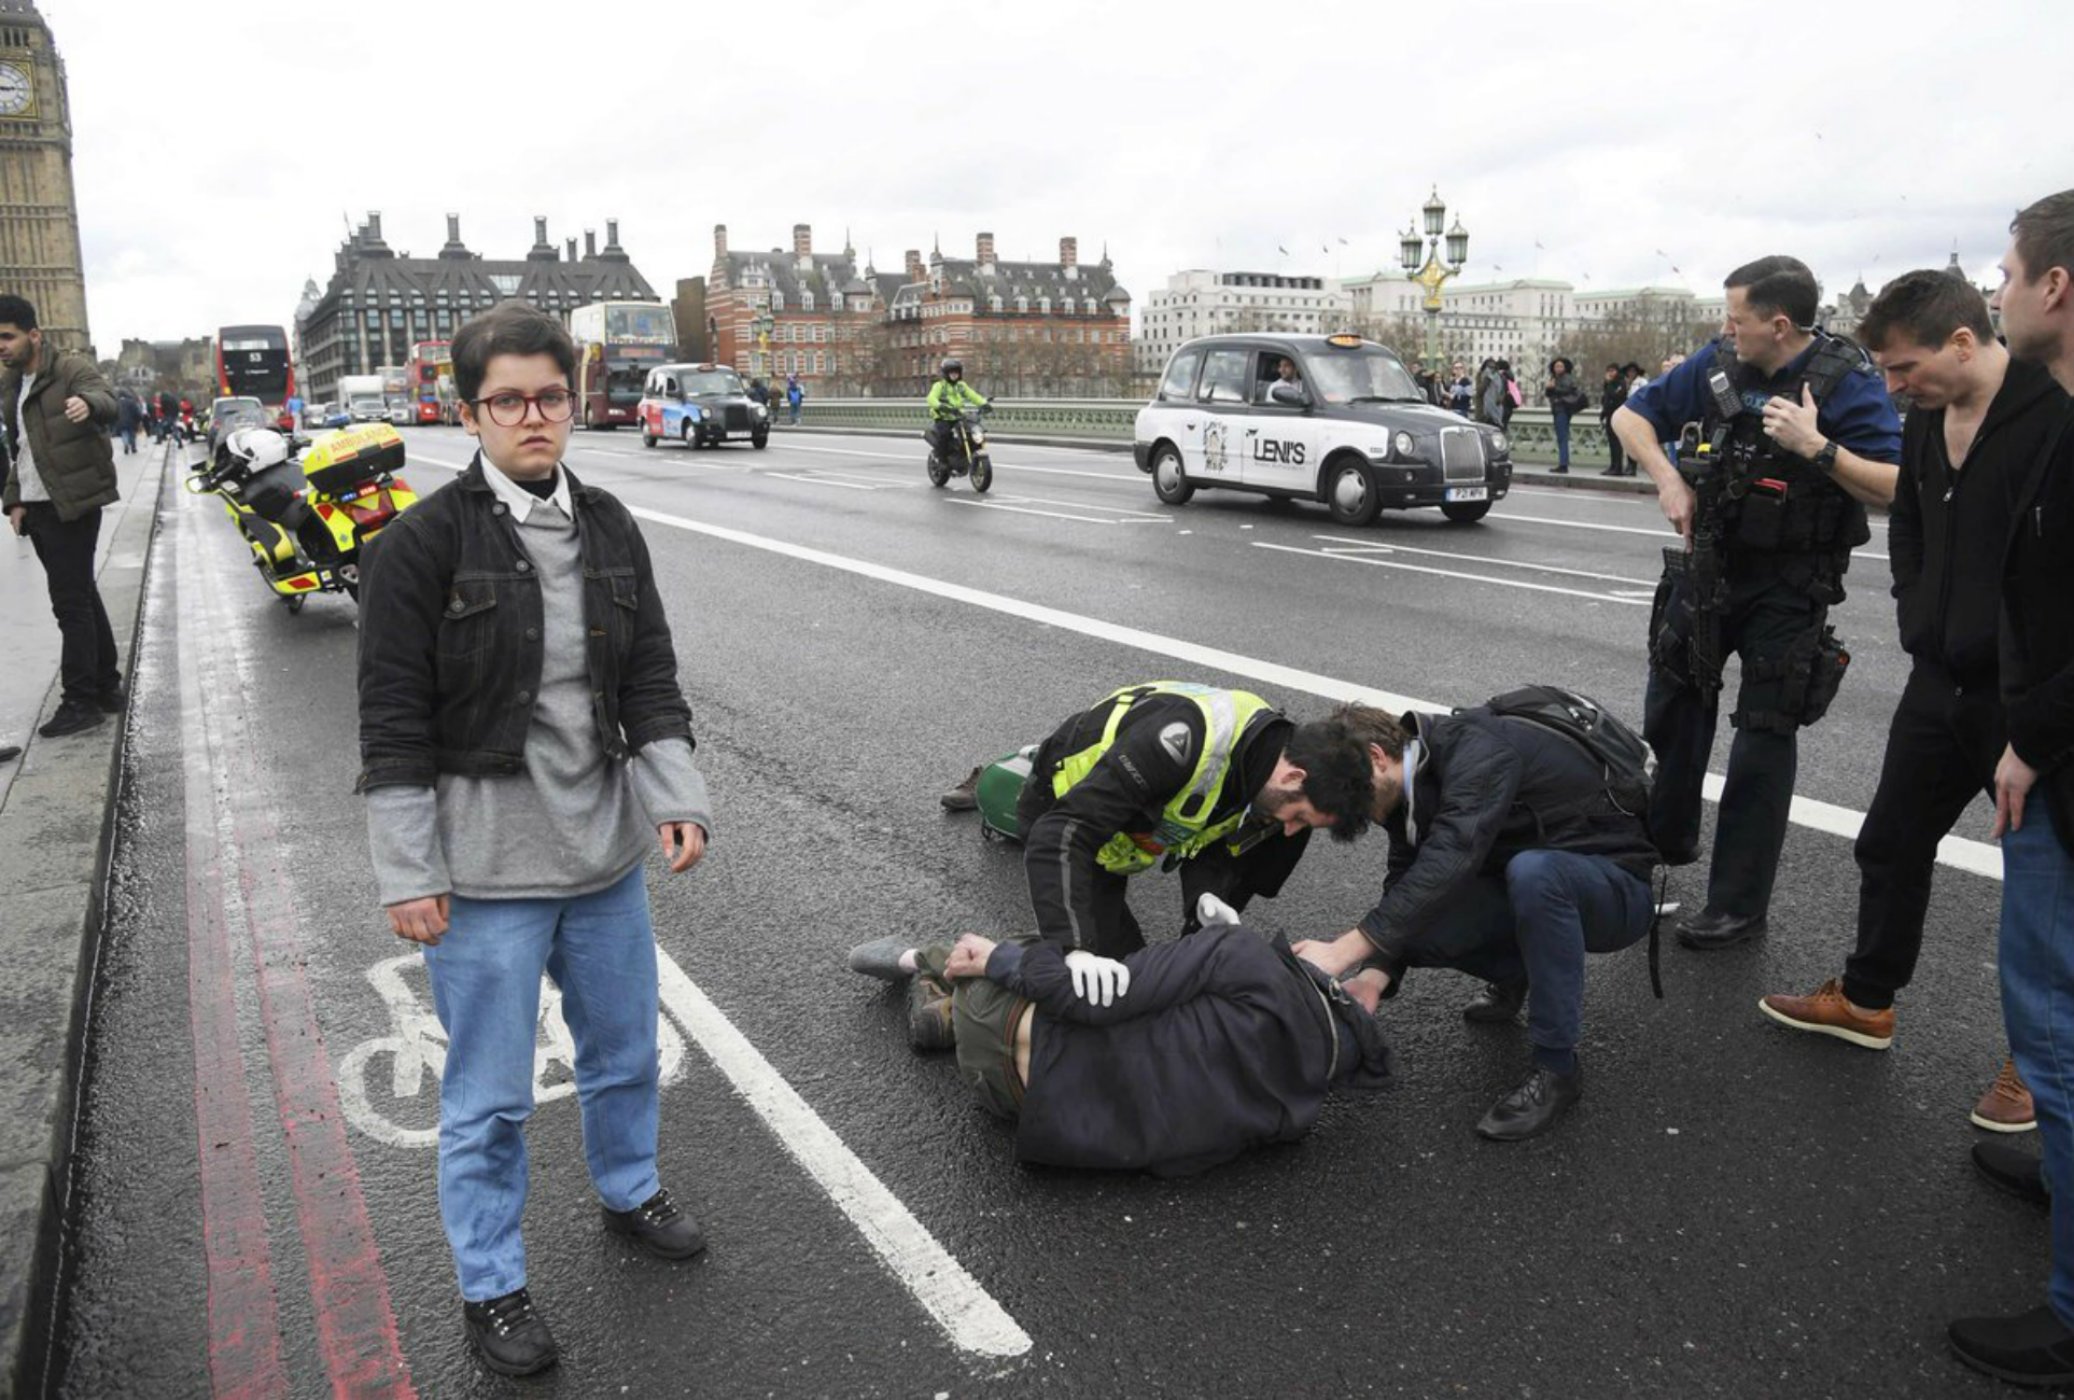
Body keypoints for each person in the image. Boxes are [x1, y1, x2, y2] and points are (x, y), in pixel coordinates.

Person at [355, 302, 714, 1379]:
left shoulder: (608, 523)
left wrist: (674, 794)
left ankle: (627, 1184)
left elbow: (648, 672)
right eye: (506, 400)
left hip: (602, 855)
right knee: (490, 1095)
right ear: (470, 412)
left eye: (549, 396)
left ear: (573, 401)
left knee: (621, 1050)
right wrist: (407, 868)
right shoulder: (419, 545)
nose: (531, 417)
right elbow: (393, 720)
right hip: (483, 869)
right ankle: (490, 1283)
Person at [1758, 271, 2065, 1134]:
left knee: (2044, 893)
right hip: (1941, 682)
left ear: (1963, 344)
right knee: (1889, 842)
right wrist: (1914, 603)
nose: (1891, 389)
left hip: (2026, 693)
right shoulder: (1931, 418)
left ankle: (2035, 1064)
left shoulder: (2052, 415)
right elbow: (1913, 516)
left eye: (1903, 369)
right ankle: (1866, 999)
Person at [1614, 255, 1902, 951]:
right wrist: (1668, 482)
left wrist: (1816, 447)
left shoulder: (1847, 382)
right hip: (1708, 564)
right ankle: (1657, 855)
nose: (1725, 329)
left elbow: (1897, 483)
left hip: (1790, 582)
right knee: (1675, 711)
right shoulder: (1715, 366)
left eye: (1736, 319)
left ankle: (1738, 904)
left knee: (1765, 736)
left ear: (1778, 325)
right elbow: (1630, 417)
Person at [1948, 188, 2074, 1389]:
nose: (1994, 289)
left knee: (2052, 1016)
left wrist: (2028, 738)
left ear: (2055, 287)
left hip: (2066, 769)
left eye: (2005, 270)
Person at [843, 904, 1393, 1176]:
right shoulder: (1294, 1119)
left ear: (1327, 972)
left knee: (1044, 952)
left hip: (999, 1022)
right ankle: (945, 1012)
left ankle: (923, 963)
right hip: (1016, 1104)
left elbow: (1102, 994)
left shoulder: (1245, 957)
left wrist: (1005, 958)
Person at [942, 682, 1374, 1003]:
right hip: (1063, 809)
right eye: (1298, 816)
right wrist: (1073, 949)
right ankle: (962, 977)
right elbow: (1059, 834)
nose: (1292, 829)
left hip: (1126, 836)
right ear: (1293, 777)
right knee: (1093, 979)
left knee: (1129, 980)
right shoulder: (1182, 742)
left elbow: (1210, 836)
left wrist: (1203, 899)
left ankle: (1013, 965)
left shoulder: (1271, 765)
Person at [1, 294, 124, 739]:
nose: (2, 346)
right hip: (37, 506)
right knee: (82, 596)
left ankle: (80, 701)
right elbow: (20, 450)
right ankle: (106, 686)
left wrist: (88, 405)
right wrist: (14, 500)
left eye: (7, 337)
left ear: (34, 334)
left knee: (69, 603)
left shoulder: (69, 369)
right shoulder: (11, 385)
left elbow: (106, 397)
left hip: (72, 501)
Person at [925, 356, 989, 464]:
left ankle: (965, 451)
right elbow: (931, 398)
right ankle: (942, 459)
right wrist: (940, 406)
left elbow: (972, 395)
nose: (954, 375)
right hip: (943, 416)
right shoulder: (939, 386)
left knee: (972, 429)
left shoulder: (961, 386)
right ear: (946, 373)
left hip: (958, 415)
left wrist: (984, 403)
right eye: (952, 373)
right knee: (944, 434)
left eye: (956, 372)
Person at [1544, 356, 1587, 474]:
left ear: (1565, 368)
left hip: (1562, 409)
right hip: (1558, 409)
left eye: (1560, 366)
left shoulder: (1566, 378)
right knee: (1561, 436)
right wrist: (1549, 388)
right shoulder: (1555, 378)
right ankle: (1563, 462)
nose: (1558, 368)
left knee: (1562, 437)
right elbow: (1549, 394)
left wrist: (1554, 388)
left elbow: (1567, 390)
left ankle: (1563, 464)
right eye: (1556, 366)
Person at [1599, 363, 1630, 476]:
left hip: (1617, 415)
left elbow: (1616, 396)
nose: (1610, 374)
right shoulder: (1609, 384)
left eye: (1613, 371)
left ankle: (1618, 467)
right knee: (1611, 442)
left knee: (1617, 442)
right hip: (1609, 415)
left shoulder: (1621, 383)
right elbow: (1606, 398)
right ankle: (1613, 465)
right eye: (1609, 371)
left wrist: (1609, 384)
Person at [114, 388, 142, 455]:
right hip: (131, 421)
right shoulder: (131, 402)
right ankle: (133, 446)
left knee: (124, 434)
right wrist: (139, 419)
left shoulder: (117, 403)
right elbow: (136, 411)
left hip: (121, 421)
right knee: (132, 434)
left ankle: (126, 445)